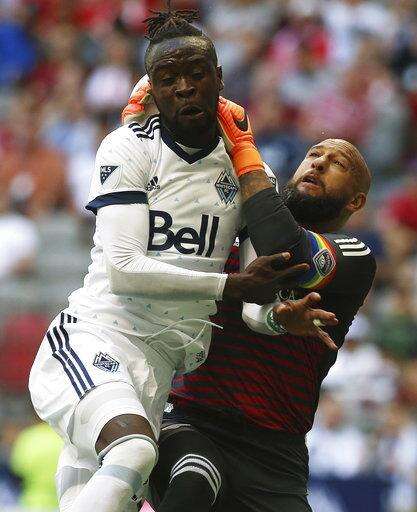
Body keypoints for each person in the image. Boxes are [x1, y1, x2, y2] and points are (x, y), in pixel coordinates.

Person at [28, 4, 307, 512]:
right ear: (152, 90)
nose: (184, 87)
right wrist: (229, 287)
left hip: (159, 369)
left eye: (196, 73)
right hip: (98, 335)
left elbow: (255, 300)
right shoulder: (128, 147)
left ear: (218, 78)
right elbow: (124, 268)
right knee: (134, 450)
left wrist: (276, 315)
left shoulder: (246, 172)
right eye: (168, 78)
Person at [144, 134, 376, 511]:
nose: (318, 163)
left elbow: (285, 246)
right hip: (189, 417)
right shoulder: (225, 232)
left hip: (274, 452)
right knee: (194, 477)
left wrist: (245, 154)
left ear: (356, 201)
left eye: (338, 163)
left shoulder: (354, 255)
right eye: (313, 154)